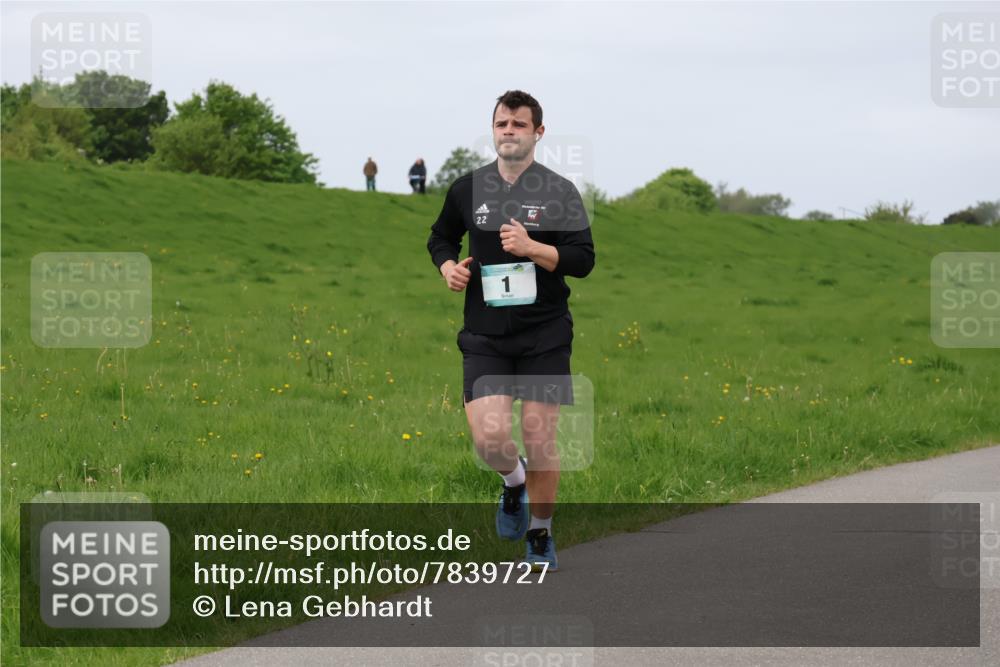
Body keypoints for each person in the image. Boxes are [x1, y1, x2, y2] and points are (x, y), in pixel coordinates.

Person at [426, 90, 595, 571]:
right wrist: (447, 269)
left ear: (538, 133)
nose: (508, 131)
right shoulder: (467, 189)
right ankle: (513, 482)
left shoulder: (560, 192)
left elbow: (583, 260)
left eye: (519, 125)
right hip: (485, 335)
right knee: (489, 439)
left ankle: (540, 535)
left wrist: (533, 248)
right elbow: (441, 236)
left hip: (544, 333)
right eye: (501, 123)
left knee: (540, 438)